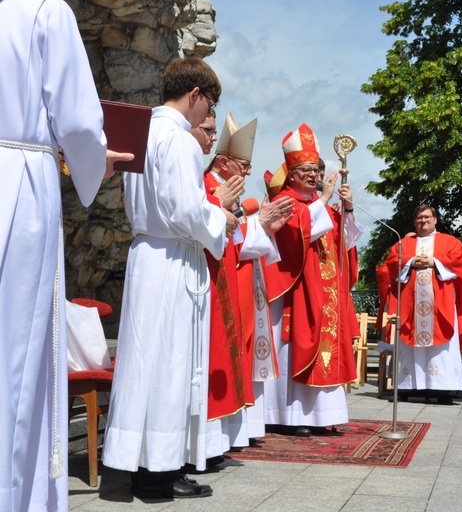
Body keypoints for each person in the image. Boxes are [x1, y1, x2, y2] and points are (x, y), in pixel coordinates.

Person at [0, 0, 133, 509]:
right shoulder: (42, 8)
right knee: (20, 357)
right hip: (19, 187)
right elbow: (78, 123)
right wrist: (95, 162)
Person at [103, 57, 238, 499]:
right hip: (174, 259)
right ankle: (160, 472)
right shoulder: (180, 139)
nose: (208, 113)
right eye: (210, 102)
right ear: (195, 95)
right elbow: (185, 209)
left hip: (147, 252)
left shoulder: (144, 133)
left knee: (144, 361)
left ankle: (134, 464)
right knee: (171, 364)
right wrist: (221, 219)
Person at [263, 123, 363, 437]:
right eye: (305, 170)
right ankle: (291, 416)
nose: (313, 175)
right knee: (296, 350)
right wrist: (326, 198)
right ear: (291, 173)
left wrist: (345, 209)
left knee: (327, 349)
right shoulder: (286, 202)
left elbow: (345, 242)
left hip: (326, 295)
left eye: (315, 171)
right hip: (299, 293)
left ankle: (324, 415)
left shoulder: (323, 207)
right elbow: (297, 233)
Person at [204, 112, 292, 453]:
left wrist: (262, 227)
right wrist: (260, 226)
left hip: (240, 284)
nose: (249, 171)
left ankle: (231, 436)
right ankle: (217, 441)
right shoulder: (209, 188)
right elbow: (224, 240)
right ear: (223, 163)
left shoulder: (225, 190)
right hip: (223, 284)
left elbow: (238, 237)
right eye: (243, 164)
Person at [384, 205, 462, 404]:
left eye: (427, 217)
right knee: (408, 343)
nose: (423, 221)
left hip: (441, 305)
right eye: (419, 218)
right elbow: (390, 262)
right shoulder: (404, 242)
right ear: (414, 222)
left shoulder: (450, 241)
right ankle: (407, 387)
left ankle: (443, 389)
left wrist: (434, 261)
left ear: (435, 219)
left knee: (441, 346)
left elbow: (459, 262)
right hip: (411, 307)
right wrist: (412, 261)